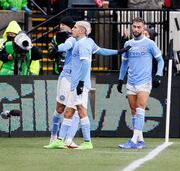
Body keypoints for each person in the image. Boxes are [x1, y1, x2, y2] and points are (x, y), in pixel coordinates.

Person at [45, 20, 131, 149]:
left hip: (79, 82)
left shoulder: (83, 44)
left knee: (80, 110)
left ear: (82, 30)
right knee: (69, 111)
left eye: (74, 27)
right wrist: (118, 52)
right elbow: (101, 50)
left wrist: (81, 82)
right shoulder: (86, 42)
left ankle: (87, 141)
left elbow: (85, 63)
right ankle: (60, 140)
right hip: (75, 82)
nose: (72, 29)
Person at [117, 17, 164, 149]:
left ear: (143, 29)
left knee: (140, 108)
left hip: (144, 82)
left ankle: (133, 140)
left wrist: (158, 75)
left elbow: (160, 60)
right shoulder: (128, 44)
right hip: (131, 82)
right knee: (133, 110)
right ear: (132, 27)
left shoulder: (149, 44)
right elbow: (124, 63)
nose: (136, 29)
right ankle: (140, 140)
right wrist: (121, 79)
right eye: (134, 27)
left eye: (139, 27)